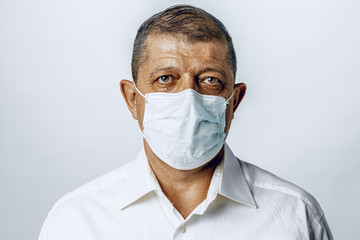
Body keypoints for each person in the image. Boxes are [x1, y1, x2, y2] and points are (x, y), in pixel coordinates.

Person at [39, 4, 333, 240]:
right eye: (165, 79)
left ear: (235, 100)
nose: (189, 98)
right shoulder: (74, 222)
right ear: (132, 98)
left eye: (210, 80)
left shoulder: (295, 216)